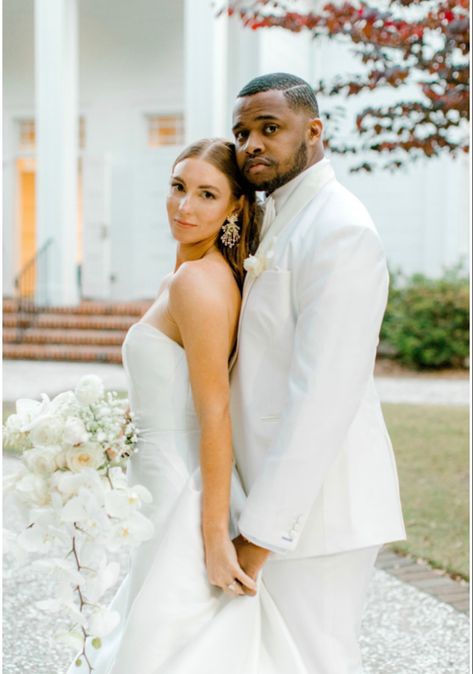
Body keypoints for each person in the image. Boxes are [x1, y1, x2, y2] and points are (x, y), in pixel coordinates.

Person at [67, 138, 309, 674]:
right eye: (178, 187)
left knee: (165, 636)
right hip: (154, 472)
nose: (184, 206)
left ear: (234, 208)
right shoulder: (195, 277)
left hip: (176, 483)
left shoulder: (196, 285)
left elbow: (214, 412)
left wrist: (213, 538)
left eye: (206, 194)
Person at [229, 72, 406, 673]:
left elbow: (324, 395)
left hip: (319, 512)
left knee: (317, 660)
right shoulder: (276, 217)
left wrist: (262, 531)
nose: (252, 143)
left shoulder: (341, 229)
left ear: (314, 131)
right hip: (277, 503)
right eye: (243, 132)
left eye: (269, 128)